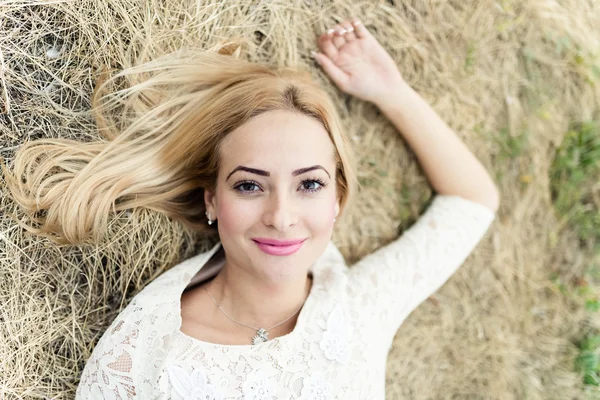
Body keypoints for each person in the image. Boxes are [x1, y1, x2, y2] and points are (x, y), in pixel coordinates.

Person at [3, 16, 499, 400]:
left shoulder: (357, 307)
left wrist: (391, 92)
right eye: (249, 186)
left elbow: (472, 202)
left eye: (309, 185)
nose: (281, 217)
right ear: (212, 201)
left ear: (337, 202)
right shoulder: (141, 358)